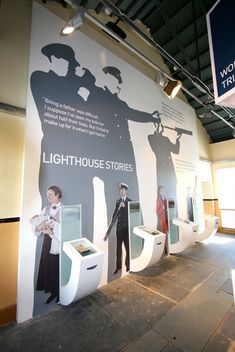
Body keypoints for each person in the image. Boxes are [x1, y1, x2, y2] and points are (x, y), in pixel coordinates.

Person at [31, 185, 62, 304]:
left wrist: (53, 232)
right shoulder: (45, 209)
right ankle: (52, 292)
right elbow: (38, 222)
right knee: (48, 267)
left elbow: (65, 230)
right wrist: (40, 227)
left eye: (50, 195)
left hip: (57, 242)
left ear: (57, 195)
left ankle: (60, 293)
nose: (48, 197)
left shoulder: (65, 209)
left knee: (57, 267)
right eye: (47, 195)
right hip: (47, 242)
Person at [104, 183, 131, 275]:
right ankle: (118, 267)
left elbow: (132, 214)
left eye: (123, 190)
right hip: (119, 229)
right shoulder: (118, 202)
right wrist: (109, 230)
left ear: (126, 191)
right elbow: (115, 216)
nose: (121, 192)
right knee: (118, 249)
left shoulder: (130, 201)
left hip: (126, 229)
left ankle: (128, 265)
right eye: (120, 190)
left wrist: (126, 206)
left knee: (128, 248)